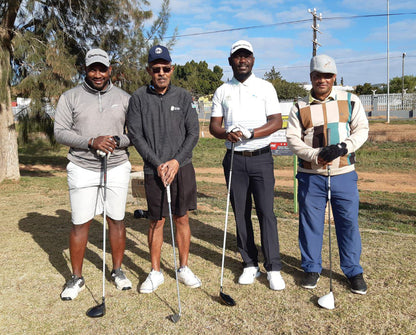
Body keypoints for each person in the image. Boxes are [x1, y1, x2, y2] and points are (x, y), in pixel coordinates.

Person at [286, 54, 369, 294]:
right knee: (310, 223)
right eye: (316, 76)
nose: (322, 80)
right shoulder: (299, 106)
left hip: (343, 172)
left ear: (334, 77)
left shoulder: (350, 100)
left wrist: (343, 147)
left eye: (327, 75)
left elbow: (362, 130)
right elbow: (292, 139)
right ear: (311, 77)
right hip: (311, 175)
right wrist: (315, 155)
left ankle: (353, 270)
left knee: (348, 222)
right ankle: (311, 268)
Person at [54, 48, 132, 300]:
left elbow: (135, 134)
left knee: (116, 219)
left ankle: (118, 271)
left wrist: (118, 140)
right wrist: (90, 141)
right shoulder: (70, 97)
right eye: (92, 68)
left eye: (102, 68)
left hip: (117, 166)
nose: (97, 74)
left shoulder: (124, 97)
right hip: (81, 166)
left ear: (110, 69)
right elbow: (60, 132)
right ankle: (76, 278)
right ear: (85, 69)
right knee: (80, 222)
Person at [210, 40, 285, 291]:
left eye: (247, 56)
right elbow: (214, 127)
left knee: (266, 213)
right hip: (234, 159)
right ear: (230, 61)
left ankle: (273, 266)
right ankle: (250, 264)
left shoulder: (266, 87)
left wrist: (252, 134)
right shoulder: (222, 90)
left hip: (261, 157)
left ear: (253, 60)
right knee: (241, 213)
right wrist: (225, 134)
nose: (242, 60)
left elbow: (276, 122)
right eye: (237, 57)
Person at [126, 45, 201, 293]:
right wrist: (157, 163)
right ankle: (156, 271)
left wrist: (176, 161)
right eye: (156, 69)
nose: (161, 73)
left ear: (172, 69)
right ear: (148, 70)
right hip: (153, 170)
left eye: (165, 68)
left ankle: (183, 267)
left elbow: (193, 133)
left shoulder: (183, 96)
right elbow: (136, 135)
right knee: (156, 221)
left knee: (181, 217)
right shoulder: (138, 98)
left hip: (182, 168)